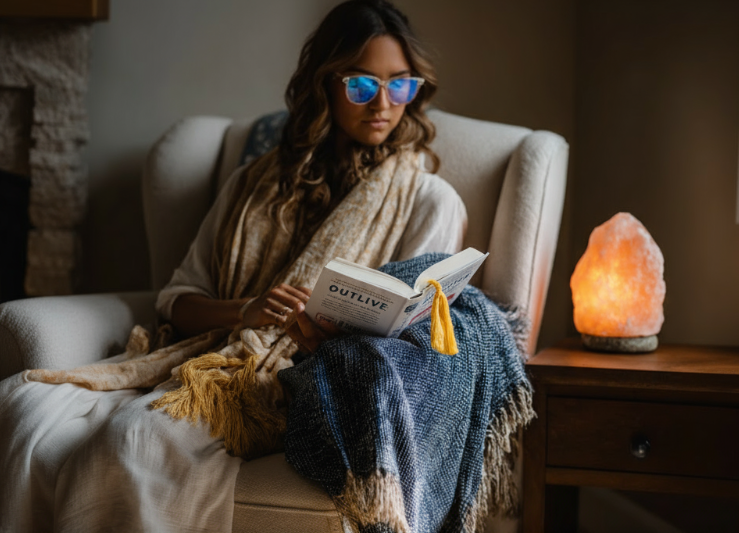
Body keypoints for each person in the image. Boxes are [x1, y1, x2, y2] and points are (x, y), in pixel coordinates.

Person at [0, 1, 468, 532]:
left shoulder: (431, 200)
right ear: (325, 85)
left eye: (401, 85)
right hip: (217, 358)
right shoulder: (254, 184)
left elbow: (412, 336)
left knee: (133, 438)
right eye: (361, 86)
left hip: (307, 384)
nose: (384, 104)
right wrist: (245, 311)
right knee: (22, 408)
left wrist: (330, 338)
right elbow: (177, 300)